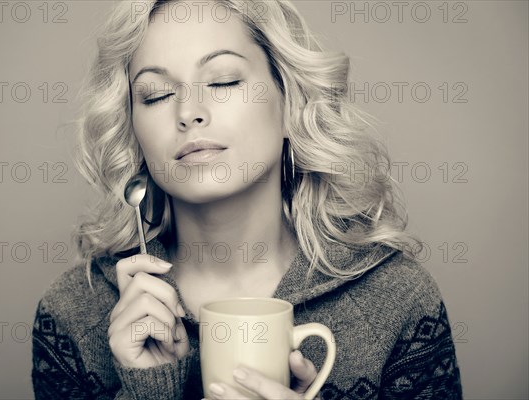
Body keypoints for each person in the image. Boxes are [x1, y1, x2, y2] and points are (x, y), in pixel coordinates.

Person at [31, 0, 463, 398]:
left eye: (223, 81)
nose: (188, 112)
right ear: (133, 130)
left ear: (291, 105)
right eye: (157, 94)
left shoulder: (397, 298)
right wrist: (152, 389)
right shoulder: (75, 313)